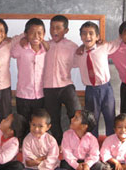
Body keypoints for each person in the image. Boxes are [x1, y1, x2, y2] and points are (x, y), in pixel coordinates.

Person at [74, 21, 120, 137]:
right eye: (84, 34)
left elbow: (118, 42)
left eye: (91, 33)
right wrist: (80, 47)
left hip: (106, 88)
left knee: (110, 117)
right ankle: (92, 144)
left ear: (97, 37)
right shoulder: (79, 54)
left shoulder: (103, 47)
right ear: (80, 37)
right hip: (91, 90)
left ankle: (111, 142)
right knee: (92, 120)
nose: (87, 36)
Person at [43, 15, 81, 145]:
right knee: (53, 119)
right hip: (48, 88)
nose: (54, 30)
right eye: (52, 27)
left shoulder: (72, 46)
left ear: (66, 30)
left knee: (76, 114)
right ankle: (59, 144)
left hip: (66, 86)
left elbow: (79, 61)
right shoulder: (44, 45)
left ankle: (77, 142)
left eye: (58, 28)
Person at [11, 18, 47, 124]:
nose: (36, 36)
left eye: (39, 33)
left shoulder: (47, 50)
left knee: (38, 125)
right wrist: (21, 38)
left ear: (44, 34)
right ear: (26, 34)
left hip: (41, 95)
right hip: (23, 96)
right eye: (32, 33)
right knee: (23, 125)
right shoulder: (20, 48)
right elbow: (11, 48)